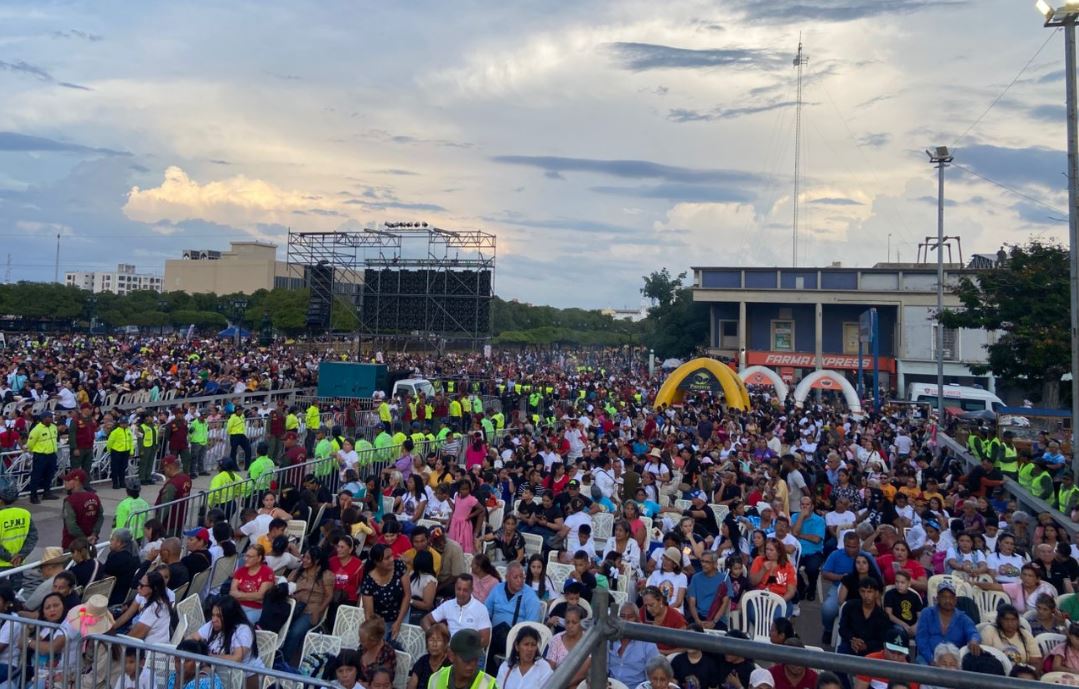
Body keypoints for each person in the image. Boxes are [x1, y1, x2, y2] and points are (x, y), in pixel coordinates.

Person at [189, 596, 264, 689]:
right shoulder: (212, 625)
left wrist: (208, 657)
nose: (214, 619)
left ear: (230, 616)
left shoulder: (243, 630)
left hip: (246, 678)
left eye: (219, 616)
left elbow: (237, 658)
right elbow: (191, 638)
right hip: (221, 675)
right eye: (213, 615)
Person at [485, 561, 542, 668]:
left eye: (522, 577)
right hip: (494, 635)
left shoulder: (530, 596)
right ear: (507, 577)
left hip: (516, 638)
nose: (520, 581)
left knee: (488, 641)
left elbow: (531, 625)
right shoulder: (497, 589)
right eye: (515, 577)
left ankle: (489, 673)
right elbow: (486, 611)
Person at [284, 545, 335, 663]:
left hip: (311, 610)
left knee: (295, 631)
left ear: (316, 561)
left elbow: (329, 596)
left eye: (307, 558)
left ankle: (284, 662)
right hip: (293, 606)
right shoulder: (298, 571)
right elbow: (286, 585)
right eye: (304, 557)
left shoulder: (326, 575)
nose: (304, 560)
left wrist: (319, 610)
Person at [914, 580, 981, 665]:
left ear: (955, 600)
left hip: (952, 662)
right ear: (937, 598)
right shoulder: (927, 613)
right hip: (928, 658)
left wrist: (974, 640)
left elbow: (973, 632)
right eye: (944, 597)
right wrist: (931, 660)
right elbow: (921, 640)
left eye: (951, 597)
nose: (948, 600)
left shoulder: (963, 618)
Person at [423, 574, 493, 647]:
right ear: (455, 588)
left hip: (470, 650)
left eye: (465, 590)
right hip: (448, 649)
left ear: (471, 590)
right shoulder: (448, 605)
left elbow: (485, 640)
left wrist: (466, 648)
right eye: (458, 589)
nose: (461, 593)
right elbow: (425, 620)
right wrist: (433, 635)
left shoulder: (481, 609)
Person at [361, 543, 411, 640]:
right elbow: (369, 614)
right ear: (377, 562)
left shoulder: (399, 566)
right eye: (387, 558)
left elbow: (407, 595)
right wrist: (375, 631)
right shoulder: (368, 582)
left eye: (392, 555)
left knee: (400, 643)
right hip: (381, 621)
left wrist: (398, 621)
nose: (392, 559)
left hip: (402, 613)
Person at [609, 603, 660, 689]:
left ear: (637, 619)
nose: (625, 620)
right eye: (622, 616)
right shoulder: (610, 638)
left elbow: (652, 676)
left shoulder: (647, 643)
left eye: (630, 617)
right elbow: (602, 670)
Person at [427, 629, 497, 689]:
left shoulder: (488, 685)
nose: (472, 665)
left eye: (475, 658)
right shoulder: (436, 679)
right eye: (466, 659)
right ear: (451, 656)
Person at [837, 577, 891, 657]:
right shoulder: (850, 606)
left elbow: (881, 641)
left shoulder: (882, 616)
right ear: (859, 592)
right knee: (842, 654)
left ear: (876, 593)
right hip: (850, 645)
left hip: (871, 651)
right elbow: (843, 628)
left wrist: (866, 645)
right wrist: (852, 639)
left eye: (869, 592)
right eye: (863, 591)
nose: (866, 595)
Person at [980, 604, 1040, 668]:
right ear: (1000, 620)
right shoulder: (989, 631)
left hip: (1020, 672)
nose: (1010, 623)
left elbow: (1036, 661)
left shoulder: (1025, 634)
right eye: (1006, 619)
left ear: (1018, 621)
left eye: (1013, 620)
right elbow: (984, 658)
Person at [496, 624, 553, 689]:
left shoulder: (543, 668)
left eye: (533, 645)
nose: (530, 649)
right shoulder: (506, 666)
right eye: (526, 644)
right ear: (517, 646)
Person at [230, 545, 275, 625]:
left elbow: (260, 596)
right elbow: (232, 593)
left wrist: (239, 595)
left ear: (259, 558)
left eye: (250, 557)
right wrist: (254, 597)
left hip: (255, 609)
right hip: (237, 606)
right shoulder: (241, 571)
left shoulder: (267, 572)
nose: (245, 559)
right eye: (246, 556)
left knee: (241, 626)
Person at [128, 571, 177, 645]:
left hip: (149, 652)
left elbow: (132, 638)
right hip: (160, 646)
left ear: (154, 588)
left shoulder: (153, 609)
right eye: (139, 584)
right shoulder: (162, 602)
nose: (138, 587)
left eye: (142, 585)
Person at [545, 604, 589, 683]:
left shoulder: (588, 640)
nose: (570, 626)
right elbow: (549, 670)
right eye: (567, 622)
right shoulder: (557, 639)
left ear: (582, 623)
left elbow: (584, 673)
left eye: (574, 622)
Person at [60, 468, 103, 549]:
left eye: (68, 480)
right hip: (92, 542)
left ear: (76, 481)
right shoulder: (94, 497)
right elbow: (100, 517)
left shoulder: (70, 501)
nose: (65, 482)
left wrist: (85, 539)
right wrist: (94, 534)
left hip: (73, 545)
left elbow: (71, 526)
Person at [670, 624, 722, 689]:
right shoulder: (677, 661)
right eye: (687, 638)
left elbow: (714, 687)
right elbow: (671, 684)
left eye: (692, 638)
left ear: (701, 640)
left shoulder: (710, 664)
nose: (689, 642)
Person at [639, 585, 687, 654]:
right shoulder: (643, 612)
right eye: (646, 605)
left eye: (651, 605)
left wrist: (662, 652)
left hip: (669, 657)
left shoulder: (676, 618)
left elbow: (684, 648)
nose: (648, 609)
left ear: (660, 600)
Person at [0, 481, 35, 572]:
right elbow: (33, 537)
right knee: (17, 586)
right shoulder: (25, 513)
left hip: (3, 564)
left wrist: (10, 557)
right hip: (18, 563)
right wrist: (21, 555)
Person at [687, 550, 726, 629]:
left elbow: (724, 604)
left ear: (715, 564)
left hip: (717, 618)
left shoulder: (724, 579)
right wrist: (697, 620)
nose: (703, 564)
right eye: (702, 561)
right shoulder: (695, 578)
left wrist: (714, 622)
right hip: (698, 616)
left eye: (707, 562)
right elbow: (692, 603)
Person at [26, 410, 58, 504]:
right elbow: (30, 444)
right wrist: (36, 451)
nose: (50, 419)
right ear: (43, 419)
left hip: (52, 454)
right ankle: (33, 496)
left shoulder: (53, 427)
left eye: (50, 417)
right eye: (47, 417)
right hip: (40, 455)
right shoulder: (36, 429)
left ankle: (47, 493)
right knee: (36, 476)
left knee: (49, 475)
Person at [406, 623, 451, 689]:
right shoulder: (422, 661)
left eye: (439, 640)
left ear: (445, 644)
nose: (434, 644)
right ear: (427, 643)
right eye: (431, 640)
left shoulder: (449, 665)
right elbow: (411, 686)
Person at [103, 528, 140, 605]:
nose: (110, 542)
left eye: (112, 539)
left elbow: (103, 575)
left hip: (114, 596)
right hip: (127, 595)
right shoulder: (135, 556)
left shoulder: (116, 557)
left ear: (119, 543)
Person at [357, 617, 397, 684]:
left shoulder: (387, 653)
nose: (359, 642)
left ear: (374, 641)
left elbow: (385, 682)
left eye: (363, 641)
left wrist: (366, 685)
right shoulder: (362, 648)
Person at [409, 550, 438, 624]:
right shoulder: (413, 574)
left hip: (418, 613)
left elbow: (427, 605)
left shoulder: (430, 580)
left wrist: (409, 601)